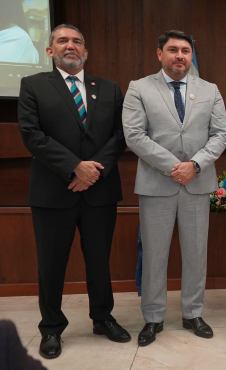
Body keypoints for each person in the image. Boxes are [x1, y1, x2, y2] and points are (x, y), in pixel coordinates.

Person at [17, 24, 130, 359]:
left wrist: (92, 170)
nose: (71, 46)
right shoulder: (33, 85)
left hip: (100, 191)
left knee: (99, 260)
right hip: (53, 193)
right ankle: (51, 328)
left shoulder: (108, 89)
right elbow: (31, 135)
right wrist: (74, 167)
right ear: (50, 50)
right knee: (51, 264)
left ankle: (102, 317)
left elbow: (121, 135)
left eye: (77, 41)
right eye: (62, 41)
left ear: (86, 51)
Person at [122, 30, 226, 347]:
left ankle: (193, 313)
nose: (180, 55)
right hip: (157, 185)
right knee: (155, 255)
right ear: (159, 54)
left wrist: (194, 165)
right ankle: (153, 318)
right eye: (173, 50)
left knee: (197, 254)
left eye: (185, 50)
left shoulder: (209, 90)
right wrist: (174, 166)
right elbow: (134, 136)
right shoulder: (139, 88)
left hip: (197, 184)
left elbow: (220, 134)